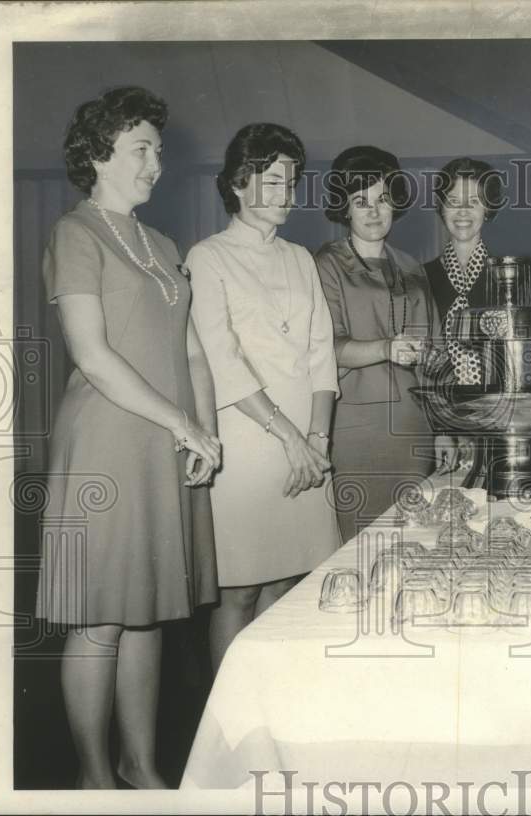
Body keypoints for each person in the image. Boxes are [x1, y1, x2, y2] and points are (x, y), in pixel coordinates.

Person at [35, 86, 221, 789]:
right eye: (142, 149)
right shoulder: (75, 233)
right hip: (107, 442)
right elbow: (93, 354)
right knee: (100, 619)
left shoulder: (164, 242)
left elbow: (195, 352)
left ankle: (140, 768)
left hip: (165, 442)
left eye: (160, 151)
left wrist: (205, 430)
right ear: (97, 154)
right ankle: (93, 778)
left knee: (149, 616)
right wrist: (180, 422)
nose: (157, 164)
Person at [186, 124, 340, 670]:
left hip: (306, 441)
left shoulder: (301, 257)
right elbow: (221, 360)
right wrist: (291, 438)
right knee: (240, 592)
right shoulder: (207, 258)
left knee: (287, 584)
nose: (287, 195)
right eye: (274, 182)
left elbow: (323, 353)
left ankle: (267, 710)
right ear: (238, 183)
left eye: (293, 182)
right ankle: (223, 727)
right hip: (248, 441)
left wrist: (317, 440)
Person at [315, 145, 454, 543]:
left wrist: (443, 427)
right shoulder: (326, 263)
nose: (374, 212)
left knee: (414, 545)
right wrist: (385, 348)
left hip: (414, 428)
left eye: (383, 199)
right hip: (356, 431)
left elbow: (437, 352)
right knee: (359, 548)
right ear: (344, 208)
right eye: (361, 202)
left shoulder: (411, 265)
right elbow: (327, 347)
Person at [423, 157, 504, 385]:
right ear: (441, 208)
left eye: (474, 202)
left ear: (488, 209)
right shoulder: (421, 276)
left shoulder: (507, 277)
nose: (462, 211)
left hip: (498, 406)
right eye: (453, 201)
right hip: (437, 407)